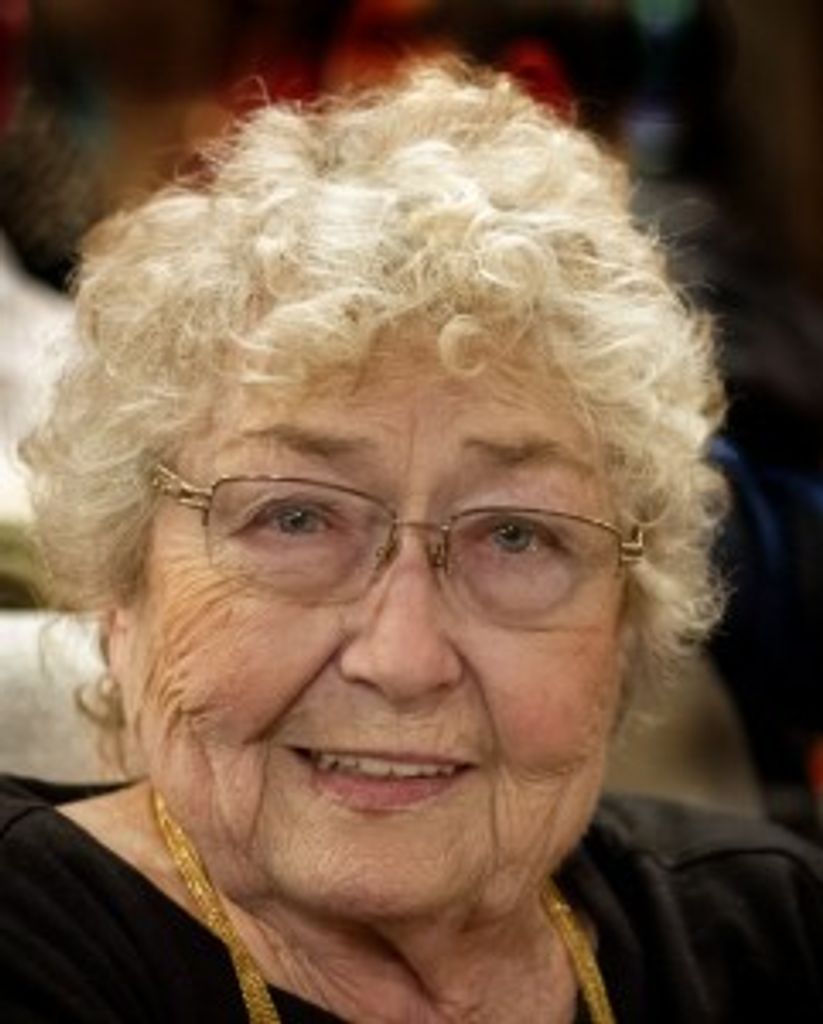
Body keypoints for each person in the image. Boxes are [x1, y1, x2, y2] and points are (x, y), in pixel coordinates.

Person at [2, 61, 822, 1023]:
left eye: (514, 534)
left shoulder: (776, 932)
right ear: (122, 589)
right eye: (296, 518)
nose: (403, 659)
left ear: (626, 625)